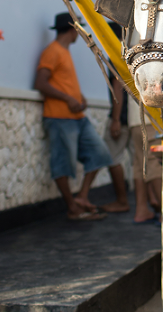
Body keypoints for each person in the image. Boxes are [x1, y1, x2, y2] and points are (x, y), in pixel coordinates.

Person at [35, 12, 127, 220]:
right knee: (63, 164)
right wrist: (67, 99)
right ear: (71, 29)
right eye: (78, 28)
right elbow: (41, 83)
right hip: (59, 117)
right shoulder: (53, 51)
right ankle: (72, 207)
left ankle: (83, 197)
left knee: (100, 154)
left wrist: (79, 97)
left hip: (77, 117)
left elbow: (62, 83)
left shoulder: (64, 51)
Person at [104, 22, 163, 224]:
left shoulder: (123, 53)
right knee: (154, 162)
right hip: (150, 117)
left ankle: (141, 210)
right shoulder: (147, 52)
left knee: (140, 165)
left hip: (134, 119)